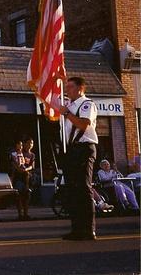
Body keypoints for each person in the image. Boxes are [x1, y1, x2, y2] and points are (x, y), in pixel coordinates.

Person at [58, 76, 98, 241]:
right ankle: (76, 229)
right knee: (72, 190)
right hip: (71, 150)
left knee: (83, 187)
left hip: (83, 148)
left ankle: (89, 229)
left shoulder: (86, 104)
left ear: (80, 89)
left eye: (70, 87)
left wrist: (66, 113)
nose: (67, 90)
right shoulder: (69, 105)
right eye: (66, 87)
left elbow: (83, 124)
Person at [11, 139, 35, 220]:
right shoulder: (21, 153)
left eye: (31, 143)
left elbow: (32, 166)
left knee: (27, 196)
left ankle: (26, 214)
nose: (30, 145)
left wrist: (26, 169)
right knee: (19, 196)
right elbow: (15, 163)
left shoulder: (32, 155)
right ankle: (20, 215)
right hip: (19, 177)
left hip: (27, 176)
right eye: (28, 143)